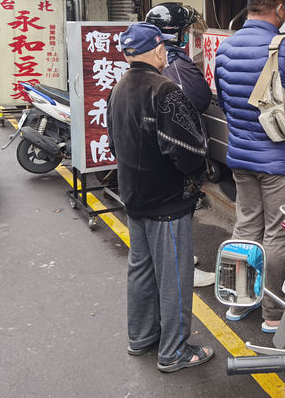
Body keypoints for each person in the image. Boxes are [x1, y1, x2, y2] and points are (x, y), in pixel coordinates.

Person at [214, 0, 285, 334]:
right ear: (279, 9)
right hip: (282, 160)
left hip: (241, 156)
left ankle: (238, 301)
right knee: (277, 234)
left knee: (246, 226)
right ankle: (272, 314)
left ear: (249, 7)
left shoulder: (226, 48)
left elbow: (225, 101)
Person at [107, 22, 214, 372]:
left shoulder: (119, 88)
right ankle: (173, 351)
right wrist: (197, 174)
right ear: (157, 50)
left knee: (140, 270)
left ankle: (140, 338)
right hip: (166, 201)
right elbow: (187, 150)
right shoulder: (164, 90)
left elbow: (113, 142)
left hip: (133, 198)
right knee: (175, 277)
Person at [145, 2, 215, 287]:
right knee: (179, 207)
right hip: (174, 145)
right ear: (175, 33)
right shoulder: (174, 61)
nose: (189, 34)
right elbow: (200, 98)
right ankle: (183, 268)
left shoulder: (145, 58)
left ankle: (180, 256)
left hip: (153, 147)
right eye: (186, 29)